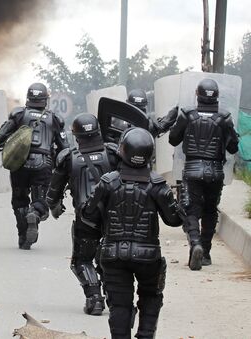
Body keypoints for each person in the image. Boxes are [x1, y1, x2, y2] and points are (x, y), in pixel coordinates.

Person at [81, 127, 184, 339]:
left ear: (123, 150)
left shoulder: (108, 182)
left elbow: (88, 215)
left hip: (113, 254)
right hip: (148, 256)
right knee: (151, 297)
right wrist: (182, 204)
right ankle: (145, 335)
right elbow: (173, 220)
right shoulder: (157, 185)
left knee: (119, 304)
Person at [47, 113, 120, 315]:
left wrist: (54, 207)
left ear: (76, 134)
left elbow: (53, 191)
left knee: (82, 260)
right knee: (114, 257)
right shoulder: (114, 153)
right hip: (114, 216)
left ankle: (95, 299)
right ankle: (116, 298)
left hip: (86, 218)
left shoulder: (68, 158)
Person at [168, 78, 239, 270]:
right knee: (210, 210)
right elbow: (233, 148)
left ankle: (195, 243)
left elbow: (173, 140)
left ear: (197, 95)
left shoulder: (187, 115)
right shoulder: (224, 118)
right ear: (216, 96)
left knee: (190, 210)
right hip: (215, 171)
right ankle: (205, 253)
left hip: (192, 169)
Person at [0, 82, 69, 249]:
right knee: (41, 200)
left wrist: (3, 142)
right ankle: (34, 214)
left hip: (19, 164)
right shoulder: (55, 119)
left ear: (28, 97)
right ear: (45, 100)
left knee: (19, 200)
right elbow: (65, 149)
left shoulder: (19, 114)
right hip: (43, 164)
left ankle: (23, 237)